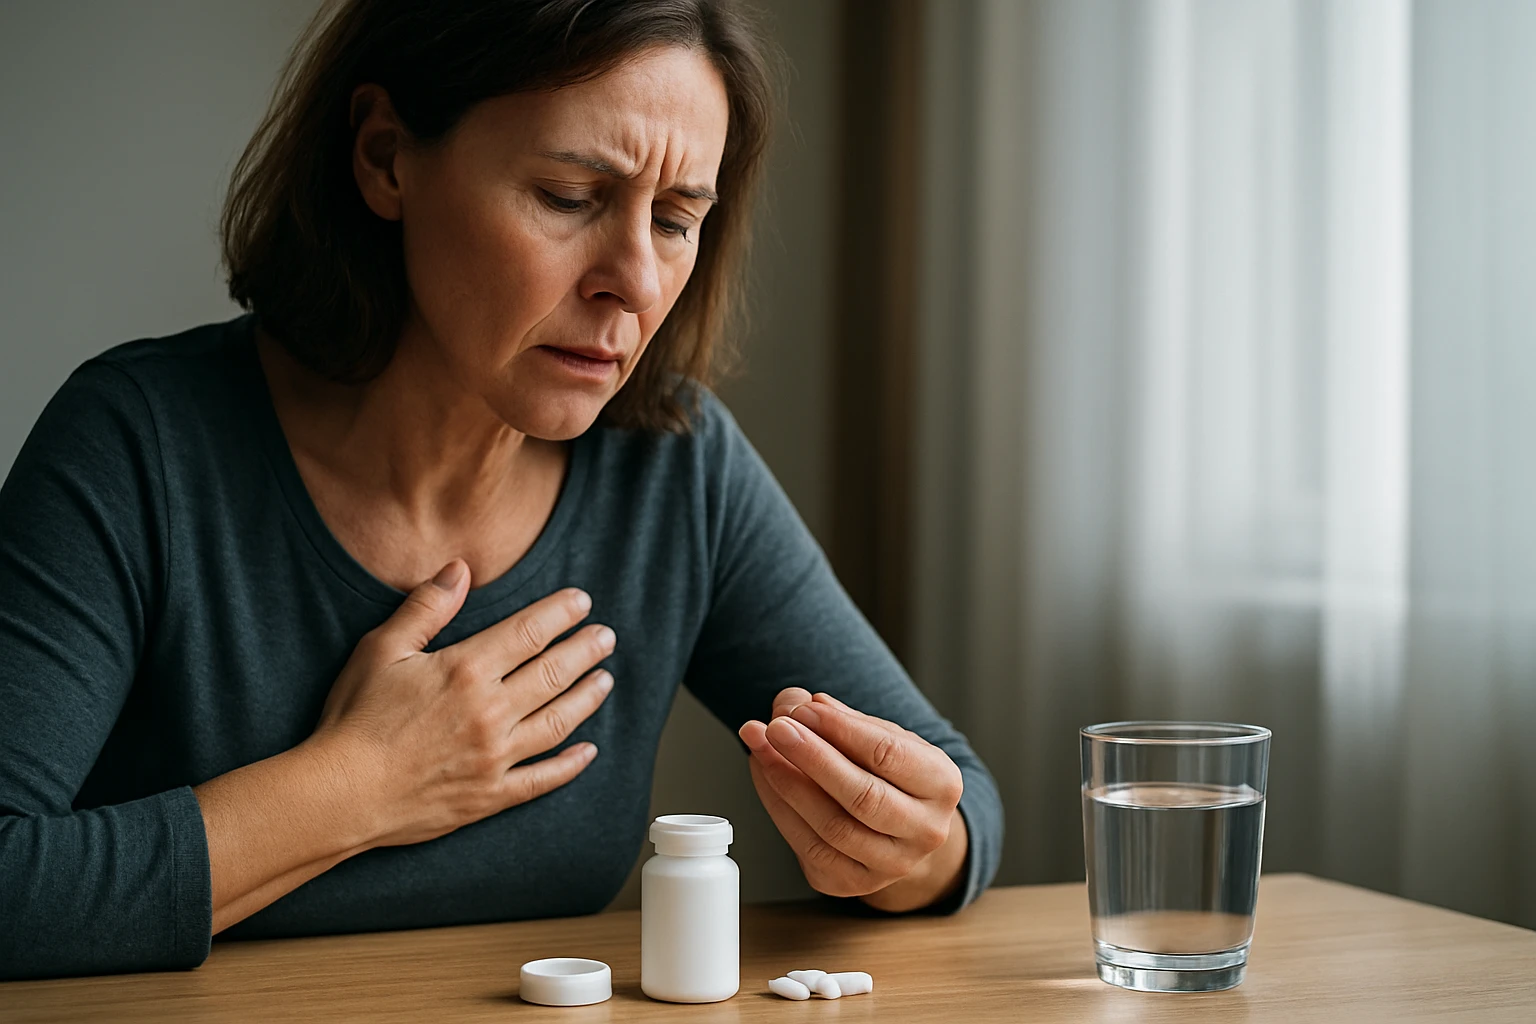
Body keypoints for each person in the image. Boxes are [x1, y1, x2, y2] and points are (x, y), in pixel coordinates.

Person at [0, 0, 1002, 981]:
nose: (635, 281)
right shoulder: (137, 443)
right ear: (386, 156)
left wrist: (912, 848)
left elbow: (962, 804)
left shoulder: (676, 469)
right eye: (569, 197)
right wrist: (361, 783)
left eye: (675, 217)